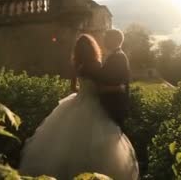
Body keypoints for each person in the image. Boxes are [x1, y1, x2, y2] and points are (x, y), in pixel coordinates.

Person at [18, 34, 139, 179]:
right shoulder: (95, 65)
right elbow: (100, 86)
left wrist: (83, 92)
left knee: (63, 143)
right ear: (93, 48)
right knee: (94, 146)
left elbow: (73, 87)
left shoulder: (78, 65)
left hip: (77, 101)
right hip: (93, 103)